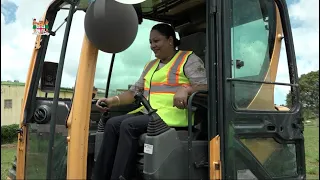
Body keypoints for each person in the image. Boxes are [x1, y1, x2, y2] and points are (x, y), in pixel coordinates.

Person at [92, 23, 207, 180]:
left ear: (170, 40)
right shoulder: (150, 65)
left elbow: (204, 86)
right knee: (112, 124)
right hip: (149, 114)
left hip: (172, 116)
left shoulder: (188, 59)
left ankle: (121, 176)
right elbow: (135, 91)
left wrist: (186, 90)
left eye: (156, 41)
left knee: (128, 125)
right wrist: (112, 101)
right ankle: (100, 176)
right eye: (150, 42)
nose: (153, 46)